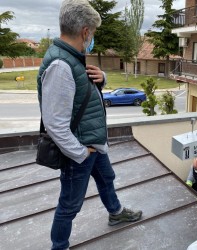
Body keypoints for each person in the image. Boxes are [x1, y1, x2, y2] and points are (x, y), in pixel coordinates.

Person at [37, 1, 142, 249]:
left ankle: (116, 213)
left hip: (93, 143)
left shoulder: (72, 58)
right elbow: (55, 124)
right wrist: (81, 153)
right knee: (69, 205)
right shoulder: (61, 65)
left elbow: (78, 98)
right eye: (92, 33)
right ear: (85, 32)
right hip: (81, 151)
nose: (91, 38)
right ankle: (59, 246)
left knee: (107, 179)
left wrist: (102, 78)